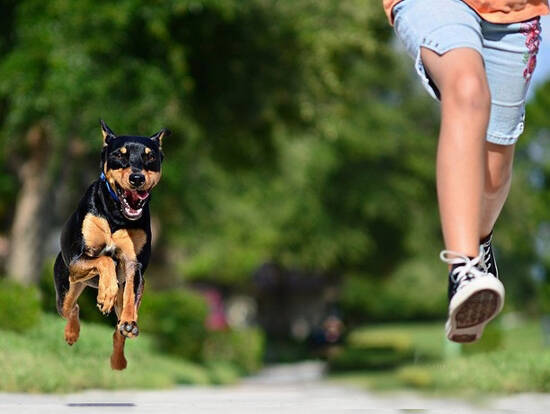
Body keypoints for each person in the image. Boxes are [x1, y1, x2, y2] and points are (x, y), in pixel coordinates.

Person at [383, 0, 548, 342]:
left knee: (493, 174)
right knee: (467, 89)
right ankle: (464, 268)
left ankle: (480, 245)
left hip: (513, 10)